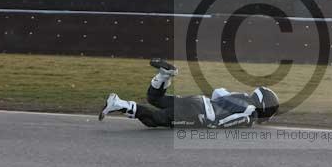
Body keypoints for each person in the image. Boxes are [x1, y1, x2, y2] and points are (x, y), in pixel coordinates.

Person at [99, 58, 280, 128]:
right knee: (154, 119)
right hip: (198, 114)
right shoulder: (250, 113)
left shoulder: (240, 95)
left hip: (198, 101)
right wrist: (212, 123)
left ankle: (164, 76)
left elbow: (218, 92)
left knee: (155, 98)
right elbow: (226, 122)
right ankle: (119, 104)